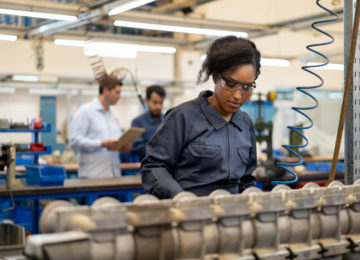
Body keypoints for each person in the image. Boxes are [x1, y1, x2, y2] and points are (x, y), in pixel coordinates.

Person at [141, 36, 260, 199]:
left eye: (246, 87)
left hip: (234, 216)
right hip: (190, 214)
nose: (238, 96)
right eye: (231, 85)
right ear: (216, 77)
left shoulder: (245, 124)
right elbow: (154, 167)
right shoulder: (183, 117)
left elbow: (246, 179)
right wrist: (181, 199)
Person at [70, 73, 131, 179]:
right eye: (117, 92)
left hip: (114, 176)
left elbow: (114, 145)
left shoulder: (113, 116)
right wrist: (101, 144)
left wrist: (123, 146)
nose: (120, 96)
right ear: (106, 90)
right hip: (93, 177)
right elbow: (74, 141)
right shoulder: (85, 112)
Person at [131, 85, 166, 161]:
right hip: (148, 167)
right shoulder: (137, 122)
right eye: (155, 102)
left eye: (161, 103)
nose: (158, 107)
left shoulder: (167, 120)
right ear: (147, 101)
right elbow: (137, 148)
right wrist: (161, 148)